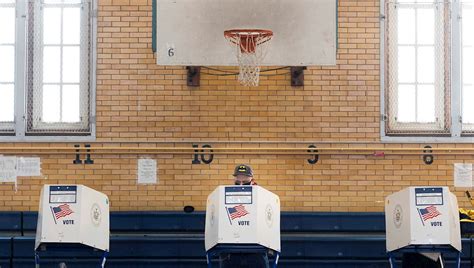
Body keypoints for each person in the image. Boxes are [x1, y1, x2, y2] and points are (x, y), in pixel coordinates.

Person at [219, 164, 270, 268]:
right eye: (238, 182)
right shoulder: (225, 197)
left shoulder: (263, 197)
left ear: (252, 180)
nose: (241, 184)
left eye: (245, 182)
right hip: (231, 250)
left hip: (256, 250)